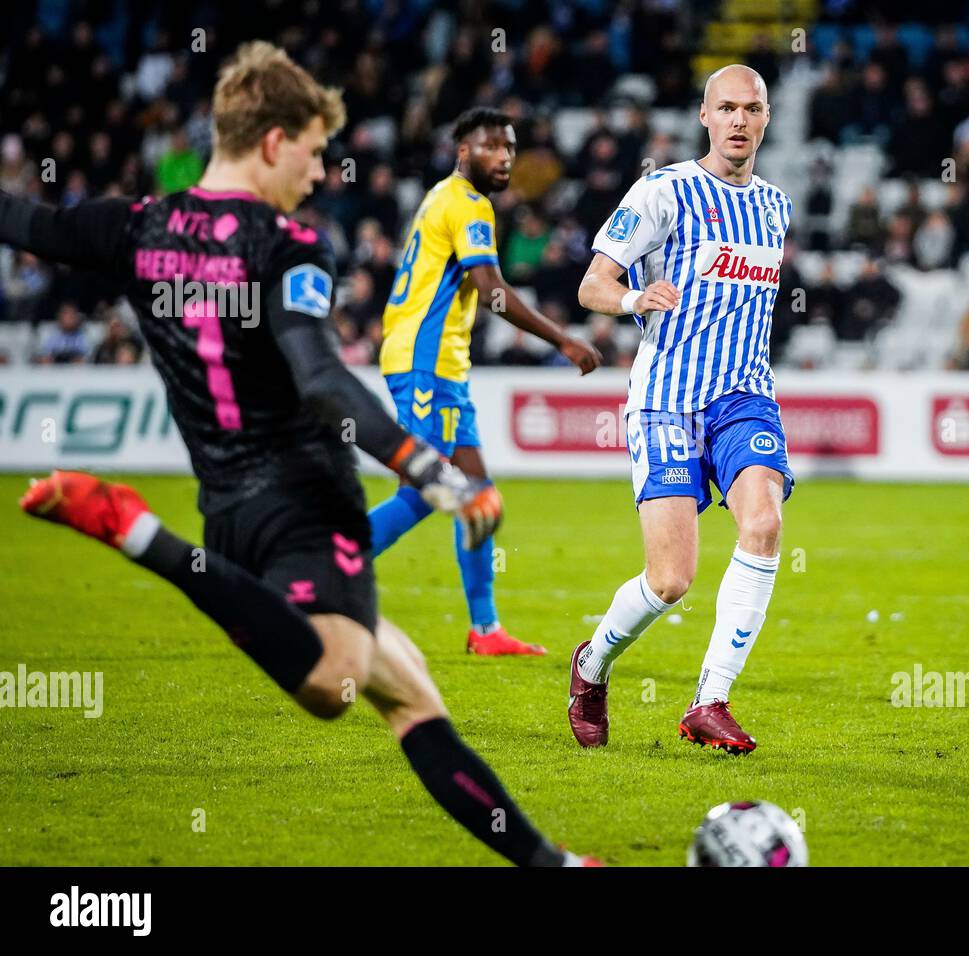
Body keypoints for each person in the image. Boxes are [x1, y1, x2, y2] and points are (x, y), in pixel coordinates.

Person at [3, 42, 592, 866]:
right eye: (315, 153)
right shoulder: (285, 246)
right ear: (275, 142)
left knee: (411, 696)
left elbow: (27, 221)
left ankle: (549, 863)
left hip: (228, 514)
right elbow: (319, 376)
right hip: (307, 502)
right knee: (334, 682)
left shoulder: (134, 225)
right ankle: (139, 536)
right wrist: (425, 468)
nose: (320, 175)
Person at [569, 64, 793, 755]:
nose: (737, 120)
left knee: (762, 524)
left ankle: (711, 700)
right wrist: (635, 299)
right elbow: (592, 285)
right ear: (704, 116)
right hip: (666, 402)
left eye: (750, 109)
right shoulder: (663, 193)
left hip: (744, 398)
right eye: (725, 107)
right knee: (670, 581)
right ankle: (592, 665)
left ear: (764, 118)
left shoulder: (776, 207)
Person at [366, 108, 601, 657]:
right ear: (462, 151)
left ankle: (485, 629)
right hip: (423, 364)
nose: (505, 157)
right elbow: (490, 288)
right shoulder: (465, 204)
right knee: (428, 491)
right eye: (492, 146)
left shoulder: (446, 198)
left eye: (511, 148)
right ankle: (325, 569)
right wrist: (562, 339)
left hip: (444, 366)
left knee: (478, 498)